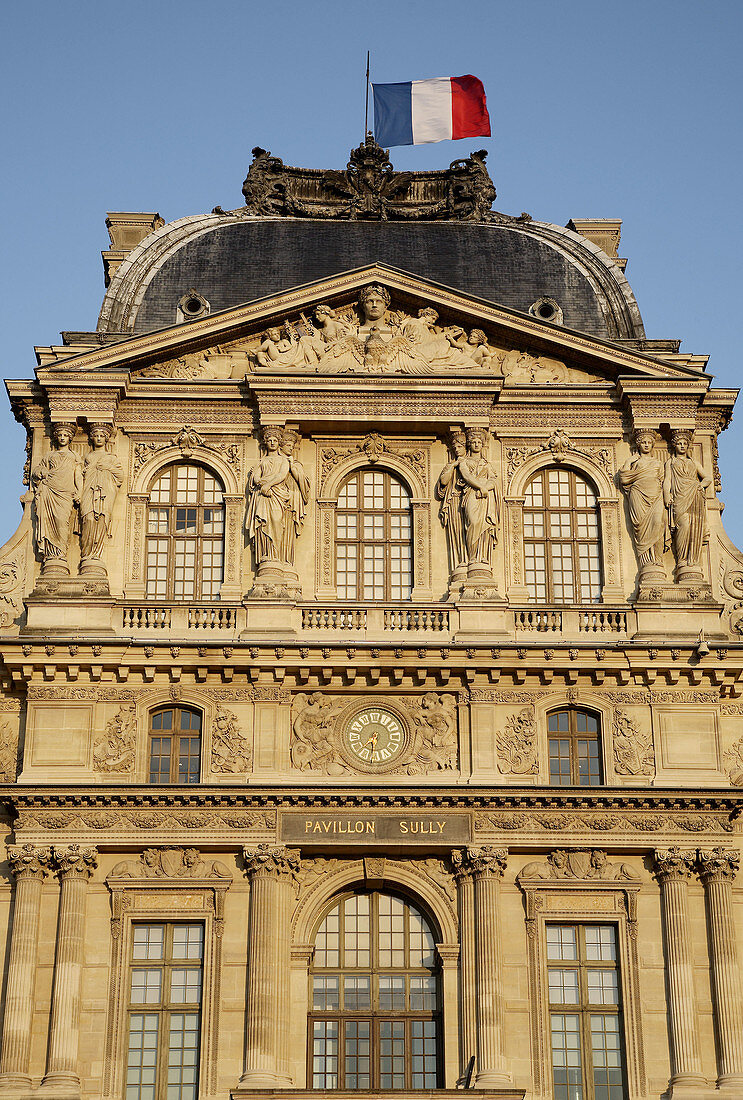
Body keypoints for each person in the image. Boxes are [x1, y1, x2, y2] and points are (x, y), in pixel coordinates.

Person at [31, 422, 82, 577]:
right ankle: (54, 555)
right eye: (59, 435)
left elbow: (78, 475)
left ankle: (60, 552)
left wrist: (79, 492)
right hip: (50, 490)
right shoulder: (49, 456)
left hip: (65, 493)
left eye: (65, 436)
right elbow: (37, 471)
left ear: (70, 438)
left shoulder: (74, 456)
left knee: (61, 521)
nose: (62, 438)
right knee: (50, 520)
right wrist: (42, 473)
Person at [618, 429, 668, 579]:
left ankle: (657, 560)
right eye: (643, 442)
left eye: (649, 442)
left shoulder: (658, 463)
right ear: (638, 445)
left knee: (658, 523)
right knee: (642, 529)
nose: (646, 445)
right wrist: (628, 461)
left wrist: (668, 497)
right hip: (638, 495)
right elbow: (624, 478)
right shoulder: (634, 462)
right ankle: (647, 563)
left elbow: (664, 481)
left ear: (653, 445)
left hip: (656, 495)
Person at [663, 429, 711, 580]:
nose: (682, 446)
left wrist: (700, 486)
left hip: (694, 495)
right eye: (679, 443)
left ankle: (691, 560)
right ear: (675, 445)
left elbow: (707, 478)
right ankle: (682, 559)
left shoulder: (694, 462)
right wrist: (666, 495)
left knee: (693, 527)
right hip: (678, 497)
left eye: (685, 443)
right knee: (683, 525)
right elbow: (667, 480)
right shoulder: (670, 462)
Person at [78, 423, 124, 576]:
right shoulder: (88, 457)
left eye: (101, 436)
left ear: (106, 439)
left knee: (102, 520)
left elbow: (120, 477)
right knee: (88, 519)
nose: (98, 438)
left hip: (105, 492)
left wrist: (105, 468)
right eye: (96, 436)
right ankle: (87, 555)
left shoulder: (111, 458)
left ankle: (96, 555)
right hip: (88, 492)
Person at [246, 427, 292, 575]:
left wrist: (268, 484)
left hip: (276, 494)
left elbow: (282, 475)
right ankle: (267, 555)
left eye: (275, 441)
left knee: (277, 522)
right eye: (270, 440)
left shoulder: (283, 460)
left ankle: (276, 555)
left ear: (279, 443)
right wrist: (262, 482)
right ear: (265, 443)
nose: (272, 443)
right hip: (263, 496)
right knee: (263, 524)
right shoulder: (262, 461)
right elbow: (256, 477)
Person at [457, 427, 500, 576]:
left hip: (485, 497)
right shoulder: (464, 461)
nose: (476, 445)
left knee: (485, 526)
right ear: (469, 444)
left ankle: (481, 558)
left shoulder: (486, 464)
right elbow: (467, 476)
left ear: (482, 445)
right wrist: (481, 486)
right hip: (472, 494)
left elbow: (493, 480)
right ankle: (472, 557)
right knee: (473, 523)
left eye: (479, 442)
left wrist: (486, 488)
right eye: (473, 442)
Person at [436, 431, 468, 582]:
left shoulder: (474, 463)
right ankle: (461, 562)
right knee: (457, 532)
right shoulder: (451, 464)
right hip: (455, 499)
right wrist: (454, 465)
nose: (457, 449)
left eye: (460, 446)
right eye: (454, 447)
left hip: (471, 500)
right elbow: (443, 481)